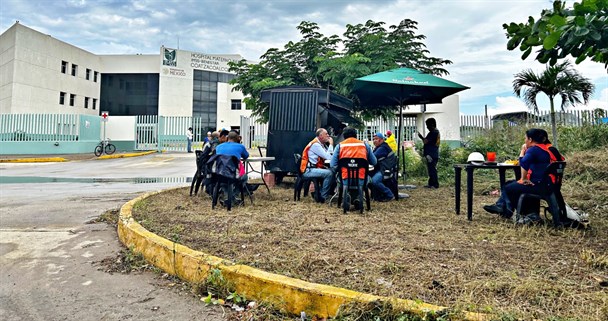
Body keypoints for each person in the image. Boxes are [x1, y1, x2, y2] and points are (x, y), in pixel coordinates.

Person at [485, 128, 564, 219]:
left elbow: (524, 163)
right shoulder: (548, 149)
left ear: (530, 139)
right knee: (512, 184)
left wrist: (524, 178)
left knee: (507, 187)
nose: (525, 140)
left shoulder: (534, 149)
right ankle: (503, 207)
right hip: (551, 185)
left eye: (525, 138)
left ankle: (512, 212)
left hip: (540, 185)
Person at [330, 127, 377, 209]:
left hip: (345, 178)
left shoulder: (340, 146)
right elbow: (374, 162)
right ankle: (358, 198)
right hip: (361, 178)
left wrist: (339, 170)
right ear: (356, 135)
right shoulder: (364, 145)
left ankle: (346, 196)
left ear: (344, 136)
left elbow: (332, 164)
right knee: (366, 179)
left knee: (339, 178)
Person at [300, 128, 335, 203]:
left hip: (312, 168)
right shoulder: (316, 145)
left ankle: (323, 193)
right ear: (321, 136)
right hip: (308, 170)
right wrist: (331, 144)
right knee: (329, 173)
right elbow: (328, 157)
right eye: (326, 134)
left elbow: (329, 156)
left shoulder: (320, 144)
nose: (328, 136)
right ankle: (323, 197)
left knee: (332, 171)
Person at [369, 132, 395, 202]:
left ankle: (390, 195)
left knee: (375, 181)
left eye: (376, 139)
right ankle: (376, 195)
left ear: (382, 140)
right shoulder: (379, 147)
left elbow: (372, 157)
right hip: (380, 168)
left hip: (385, 170)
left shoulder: (383, 148)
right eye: (373, 139)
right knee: (365, 177)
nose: (374, 141)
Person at [417, 118, 440, 189]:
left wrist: (421, 137)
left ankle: (435, 184)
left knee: (432, 169)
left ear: (432, 124)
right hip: (432, 153)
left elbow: (426, 141)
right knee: (431, 169)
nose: (427, 127)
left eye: (428, 125)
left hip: (431, 154)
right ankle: (431, 183)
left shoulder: (434, 132)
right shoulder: (434, 132)